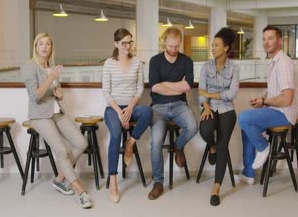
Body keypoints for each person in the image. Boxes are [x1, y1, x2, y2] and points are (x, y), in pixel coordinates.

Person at [21, 33, 92, 209]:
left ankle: (60, 179)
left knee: (81, 143)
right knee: (61, 149)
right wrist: (51, 78)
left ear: (51, 47)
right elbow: (35, 96)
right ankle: (81, 192)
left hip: (55, 113)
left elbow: (54, 92)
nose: (45, 47)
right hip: (39, 115)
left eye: (48, 44)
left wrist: (59, 94)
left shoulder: (51, 67)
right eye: (41, 44)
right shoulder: (30, 67)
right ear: (35, 47)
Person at [238, 25, 298, 184]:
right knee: (246, 128)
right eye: (264, 39)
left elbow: (287, 99)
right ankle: (248, 173)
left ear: (280, 41)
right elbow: (276, 93)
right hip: (275, 110)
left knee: (244, 118)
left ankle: (263, 147)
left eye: (270, 38)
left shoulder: (283, 63)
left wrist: (265, 101)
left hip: (283, 114)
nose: (266, 42)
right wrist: (262, 100)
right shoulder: (274, 62)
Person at [102, 28, 152, 203]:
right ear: (116, 44)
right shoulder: (109, 63)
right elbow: (106, 92)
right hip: (113, 109)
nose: (127, 46)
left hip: (131, 107)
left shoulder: (137, 62)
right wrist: (120, 112)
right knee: (115, 135)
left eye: (130, 42)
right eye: (124, 43)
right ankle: (114, 181)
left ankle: (131, 142)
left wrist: (130, 108)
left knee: (148, 112)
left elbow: (140, 88)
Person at [147, 27, 198, 200]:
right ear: (164, 43)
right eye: (170, 46)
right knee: (155, 143)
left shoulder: (187, 61)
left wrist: (165, 85)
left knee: (192, 127)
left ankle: (178, 146)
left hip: (179, 105)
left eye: (177, 46)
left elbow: (187, 86)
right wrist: (176, 85)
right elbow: (154, 87)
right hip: (158, 107)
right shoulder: (155, 61)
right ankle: (158, 183)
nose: (174, 50)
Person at [199, 27, 239, 206]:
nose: (212, 48)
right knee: (205, 130)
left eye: (216, 45)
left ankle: (216, 188)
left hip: (227, 110)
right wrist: (206, 104)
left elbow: (231, 95)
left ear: (226, 48)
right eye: (212, 45)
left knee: (224, 145)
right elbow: (200, 92)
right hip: (209, 107)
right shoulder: (206, 66)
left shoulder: (234, 68)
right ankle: (211, 146)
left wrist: (210, 94)